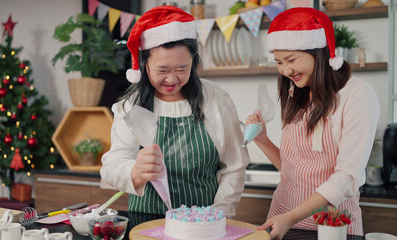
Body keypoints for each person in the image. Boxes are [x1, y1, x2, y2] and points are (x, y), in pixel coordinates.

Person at [101, 5, 250, 218]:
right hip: (146, 222)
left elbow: (234, 166)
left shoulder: (216, 98)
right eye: (162, 70)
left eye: (182, 69)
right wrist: (134, 171)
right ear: (145, 64)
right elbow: (111, 166)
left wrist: (219, 215)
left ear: (193, 62)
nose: (171, 79)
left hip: (204, 223)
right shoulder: (130, 106)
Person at [245, 8, 379, 239]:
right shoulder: (298, 93)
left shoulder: (357, 95)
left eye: (291, 60)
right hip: (282, 220)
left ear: (318, 52)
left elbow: (347, 177)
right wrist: (263, 141)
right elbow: (293, 170)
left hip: (332, 226)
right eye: (279, 62)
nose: (286, 70)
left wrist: (291, 217)